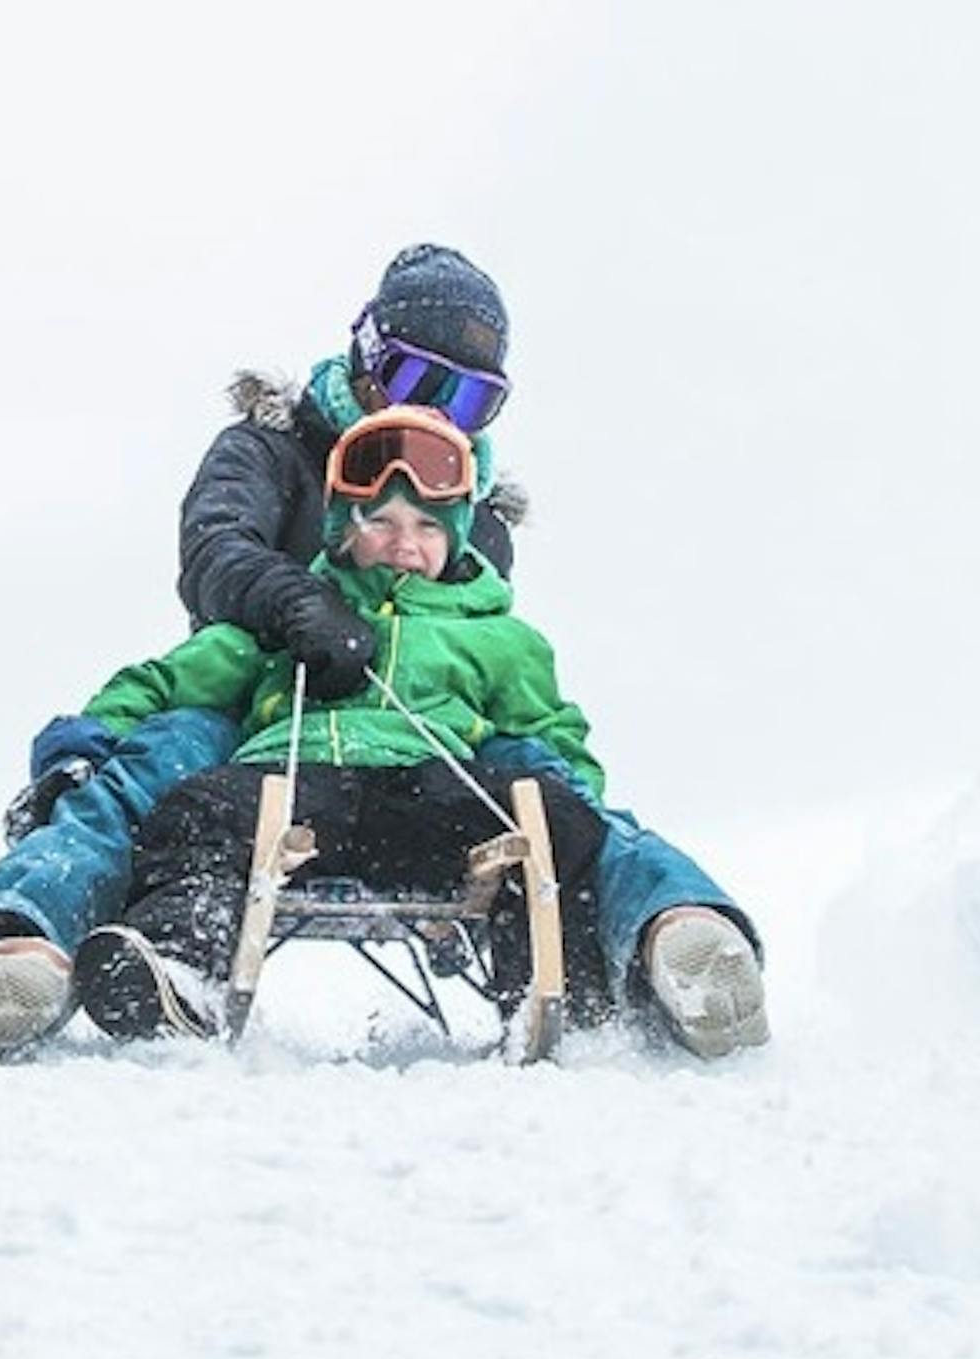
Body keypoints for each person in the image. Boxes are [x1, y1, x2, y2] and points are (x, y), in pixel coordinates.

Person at [0, 243, 767, 1058]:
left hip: (423, 725)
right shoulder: (270, 446)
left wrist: (558, 772)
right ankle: (25, 942)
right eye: (415, 379)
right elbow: (215, 549)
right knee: (155, 770)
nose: (435, 411)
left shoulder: (472, 511)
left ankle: (657, 952)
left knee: (545, 790)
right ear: (367, 352)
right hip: (261, 685)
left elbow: (496, 654)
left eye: (466, 400)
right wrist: (297, 605)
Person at [62, 408, 612, 1036]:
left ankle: (564, 999)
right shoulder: (292, 615)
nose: (404, 543)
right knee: (196, 810)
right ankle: (181, 970)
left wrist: (579, 790)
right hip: (297, 785)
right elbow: (168, 681)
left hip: (426, 793)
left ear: (456, 539)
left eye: (428, 526)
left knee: (555, 819)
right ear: (341, 532)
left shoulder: (496, 637)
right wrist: (87, 741)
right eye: (380, 521)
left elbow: (550, 728)